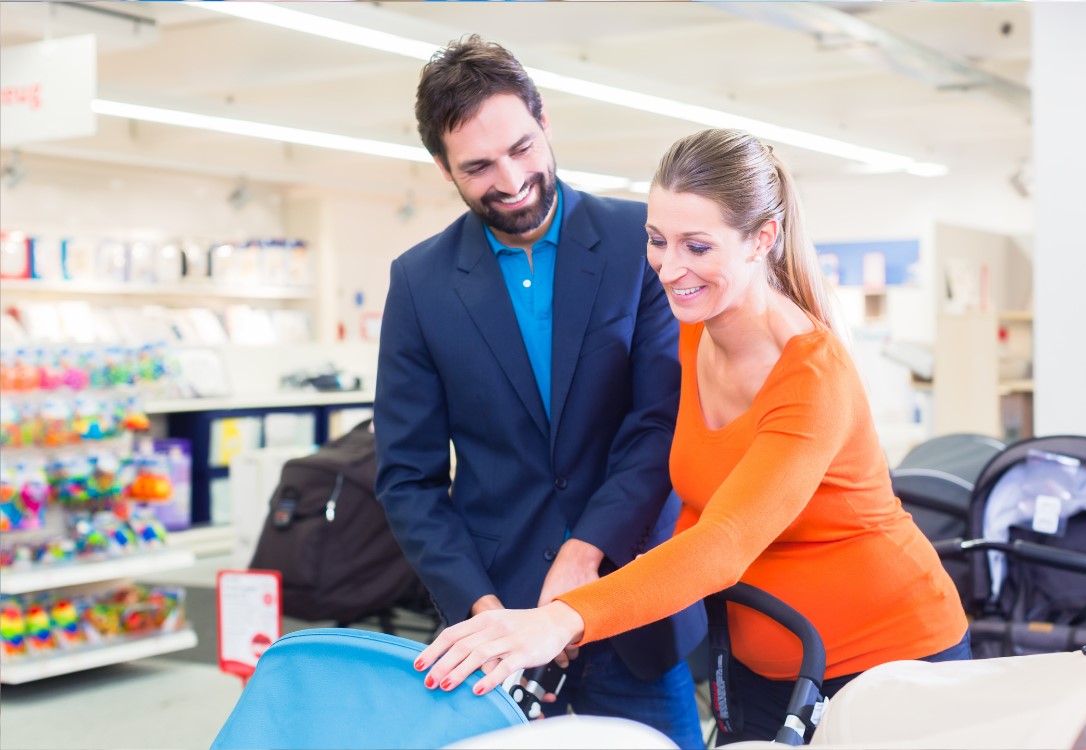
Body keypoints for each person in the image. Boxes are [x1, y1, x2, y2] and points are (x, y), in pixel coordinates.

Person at [413, 128, 972, 743]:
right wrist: (581, 582)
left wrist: (562, 620)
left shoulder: (812, 375)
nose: (669, 267)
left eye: (697, 246)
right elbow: (684, 488)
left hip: (885, 659)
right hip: (764, 658)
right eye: (657, 240)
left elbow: (725, 541)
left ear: (762, 239)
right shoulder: (695, 329)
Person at [373, 36, 706, 748]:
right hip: (493, 624)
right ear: (443, 169)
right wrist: (483, 607)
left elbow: (659, 424)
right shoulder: (420, 283)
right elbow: (408, 478)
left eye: (523, 148)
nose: (512, 179)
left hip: (631, 601)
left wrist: (584, 554)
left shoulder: (639, 241)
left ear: (544, 122)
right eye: (480, 167)